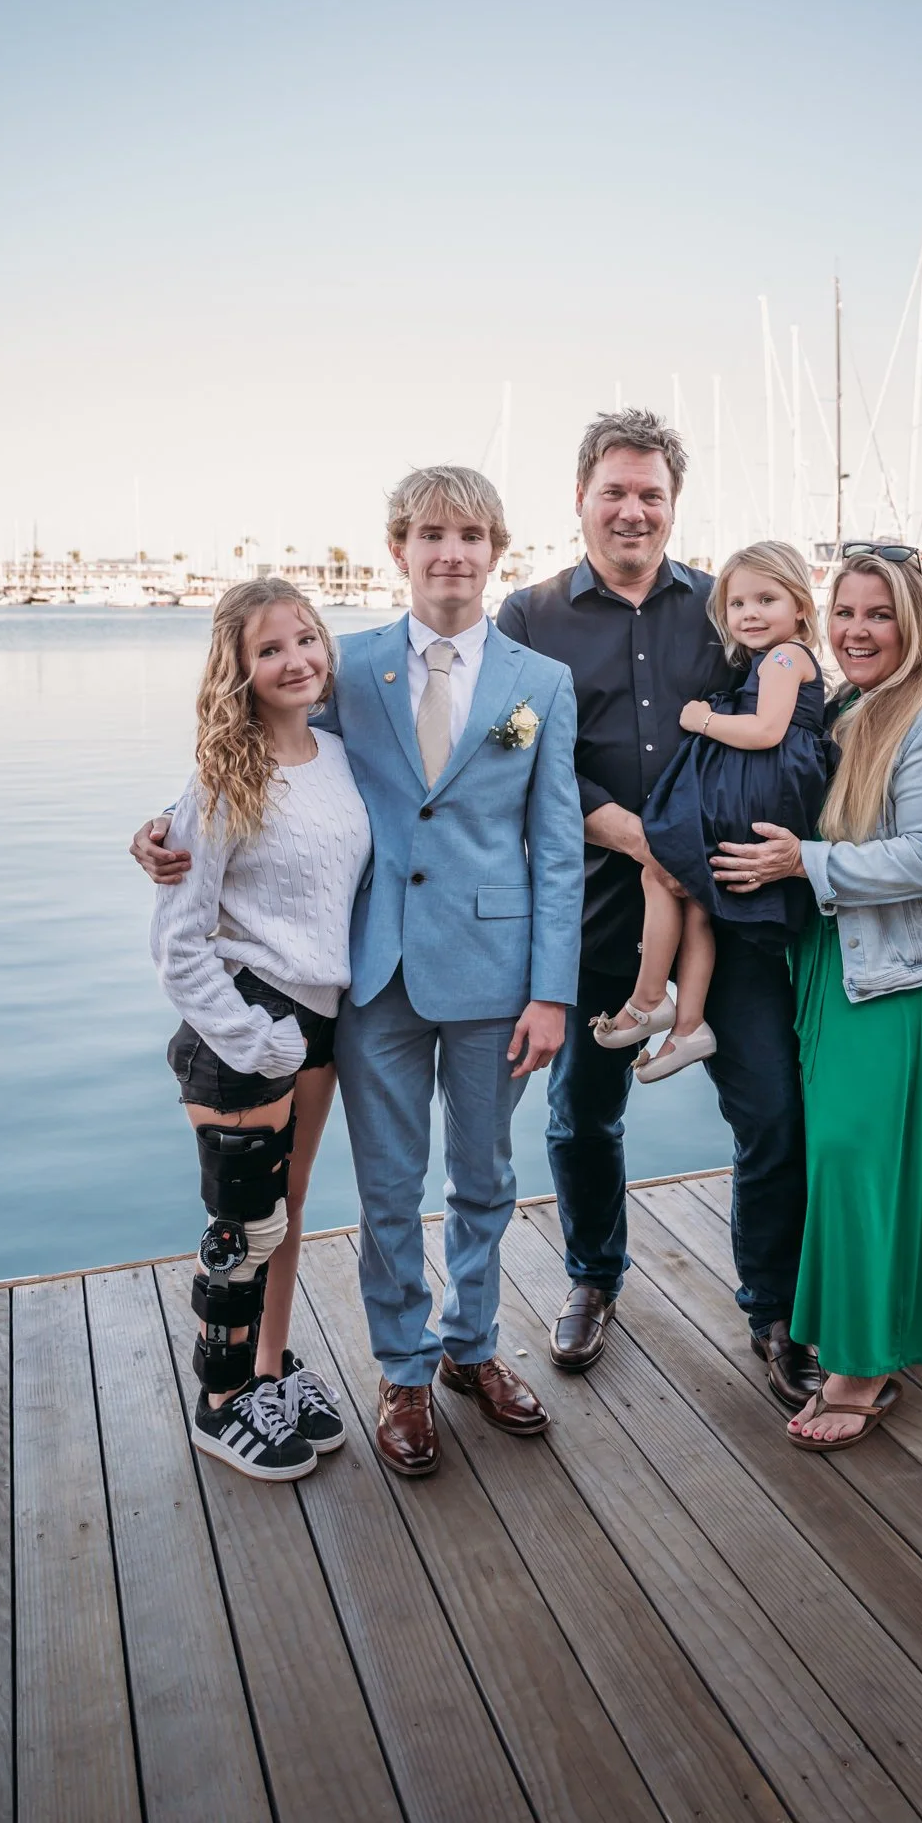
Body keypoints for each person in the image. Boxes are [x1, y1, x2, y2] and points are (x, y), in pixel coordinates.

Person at [137, 469, 583, 1480]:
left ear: (496, 549)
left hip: (497, 978)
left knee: (487, 1180)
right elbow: (259, 758)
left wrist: (554, 990)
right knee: (387, 1188)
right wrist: (159, 831)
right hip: (372, 975)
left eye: (471, 534)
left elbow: (558, 849)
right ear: (400, 549)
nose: (452, 552)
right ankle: (404, 1371)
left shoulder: (540, 685)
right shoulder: (351, 670)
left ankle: (473, 1348)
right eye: (432, 533)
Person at [497, 411, 822, 1409]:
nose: (633, 510)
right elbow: (506, 756)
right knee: (584, 1118)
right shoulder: (527, 619)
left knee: (772, 1113)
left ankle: (777, 1312)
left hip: (733, 909)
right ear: (583, 498)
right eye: (616, 492)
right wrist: (634, 837)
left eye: (652, 496)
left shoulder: (725, 608)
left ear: (674, 506)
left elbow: (790, 715)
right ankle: (595, 1279)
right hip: (596, 915)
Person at [710, 544, 922, 1450]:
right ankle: (887, 1323)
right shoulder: (845, 704)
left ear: (915, 621)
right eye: (845, 613)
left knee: (854, 1157)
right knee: (873, 1159)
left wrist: (799, 861)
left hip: (910, 978)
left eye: (878, 614)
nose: (856, 630)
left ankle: (862, 1366)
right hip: (839, 964)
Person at [152, 578, 370, 1480]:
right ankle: (219, 1400)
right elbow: (177, 943)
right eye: (270, 649)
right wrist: (250, 1038)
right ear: (238, 670)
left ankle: (269, 1369)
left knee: (291, 1210)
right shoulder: (219, 779)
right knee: (244, 1224)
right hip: (244, 1024)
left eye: (306, 640)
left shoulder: (344, 755)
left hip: (317, 1019)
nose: (295, 661)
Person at [591, 541, 830, 1082]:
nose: (749, 613)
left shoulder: (785, 657)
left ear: (800, 607)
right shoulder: (767, 661)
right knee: (696, 898)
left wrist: (702, 720)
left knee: (659, 871)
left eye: (766, 599)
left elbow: (767, 730)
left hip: (757, 799)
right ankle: (689, 1024)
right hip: (757, 795)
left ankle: (650, 997)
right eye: (737, 604)